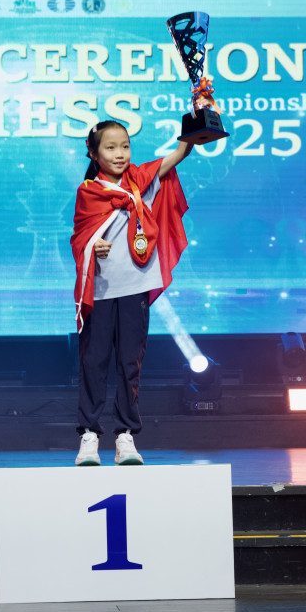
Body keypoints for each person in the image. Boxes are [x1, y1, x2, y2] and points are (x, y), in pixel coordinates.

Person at [70, 119, 194, 466]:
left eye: (125, 146)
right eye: (110, 147)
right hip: (101, 291)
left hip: (135, 287)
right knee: (94, 363)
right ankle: (89, 435)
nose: (120, 154)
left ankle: (125, 435)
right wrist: (93, 246)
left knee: (130, 363)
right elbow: (79, 239)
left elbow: (180, 153)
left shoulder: (140, 180)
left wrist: (198, 114)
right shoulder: (88, 191)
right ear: (93, 153)